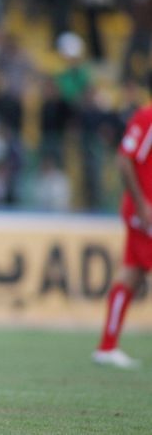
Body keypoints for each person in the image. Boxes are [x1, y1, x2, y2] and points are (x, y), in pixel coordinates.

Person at [93, 72, 152, 369]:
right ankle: (106, 346)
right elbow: (124, 159)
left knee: (132, 273)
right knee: (133, 273)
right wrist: (142, 206)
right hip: (144, 212)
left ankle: (107, 346)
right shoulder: (147, 117)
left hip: (144, 210)